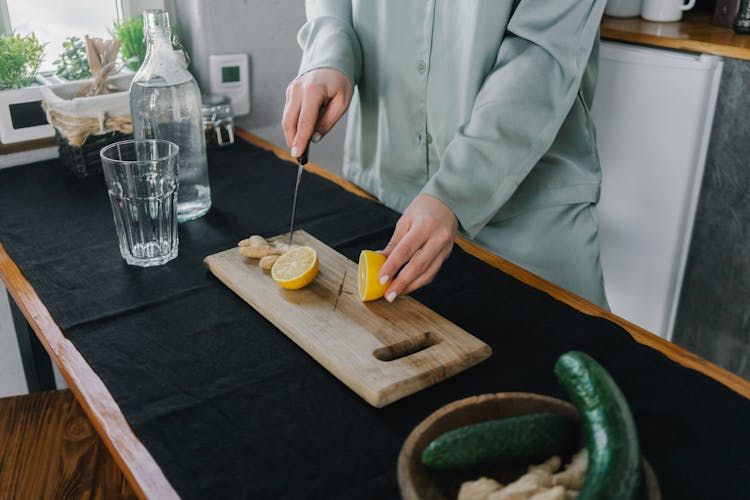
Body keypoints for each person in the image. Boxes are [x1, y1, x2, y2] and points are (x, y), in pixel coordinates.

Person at [282, 0, 610, 308]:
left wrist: (455, 191)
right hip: (384, 199)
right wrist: (328, 53)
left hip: (527, 220)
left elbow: (542, 54)